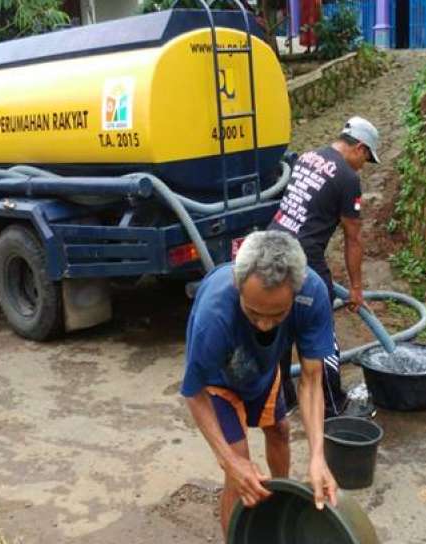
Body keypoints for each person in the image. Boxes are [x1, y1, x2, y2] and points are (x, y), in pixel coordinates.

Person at [180, 231, 338, 539]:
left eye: (277, 314)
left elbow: (311, 379)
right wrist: (229, 462)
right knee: (240, 467)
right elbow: (193, 393)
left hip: (262, 370)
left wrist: (318, 456)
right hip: (218, 381)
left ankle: (283, 509)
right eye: (253, 313)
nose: (264, 323)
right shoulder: (215, 314)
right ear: (238, 288)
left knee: (280, 431)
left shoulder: (311, 294)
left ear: (295, 292)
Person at [269, 116, 380, 418]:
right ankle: (332, 404)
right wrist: (356, 289)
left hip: (271, 248)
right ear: (359, 148)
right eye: (366, 160)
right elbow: (353, 237)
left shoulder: (307, 156)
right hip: (304, 258)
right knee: (320, 330)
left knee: (279, 325)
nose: (363, 167)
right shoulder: (347, 176)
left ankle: (283, 399)